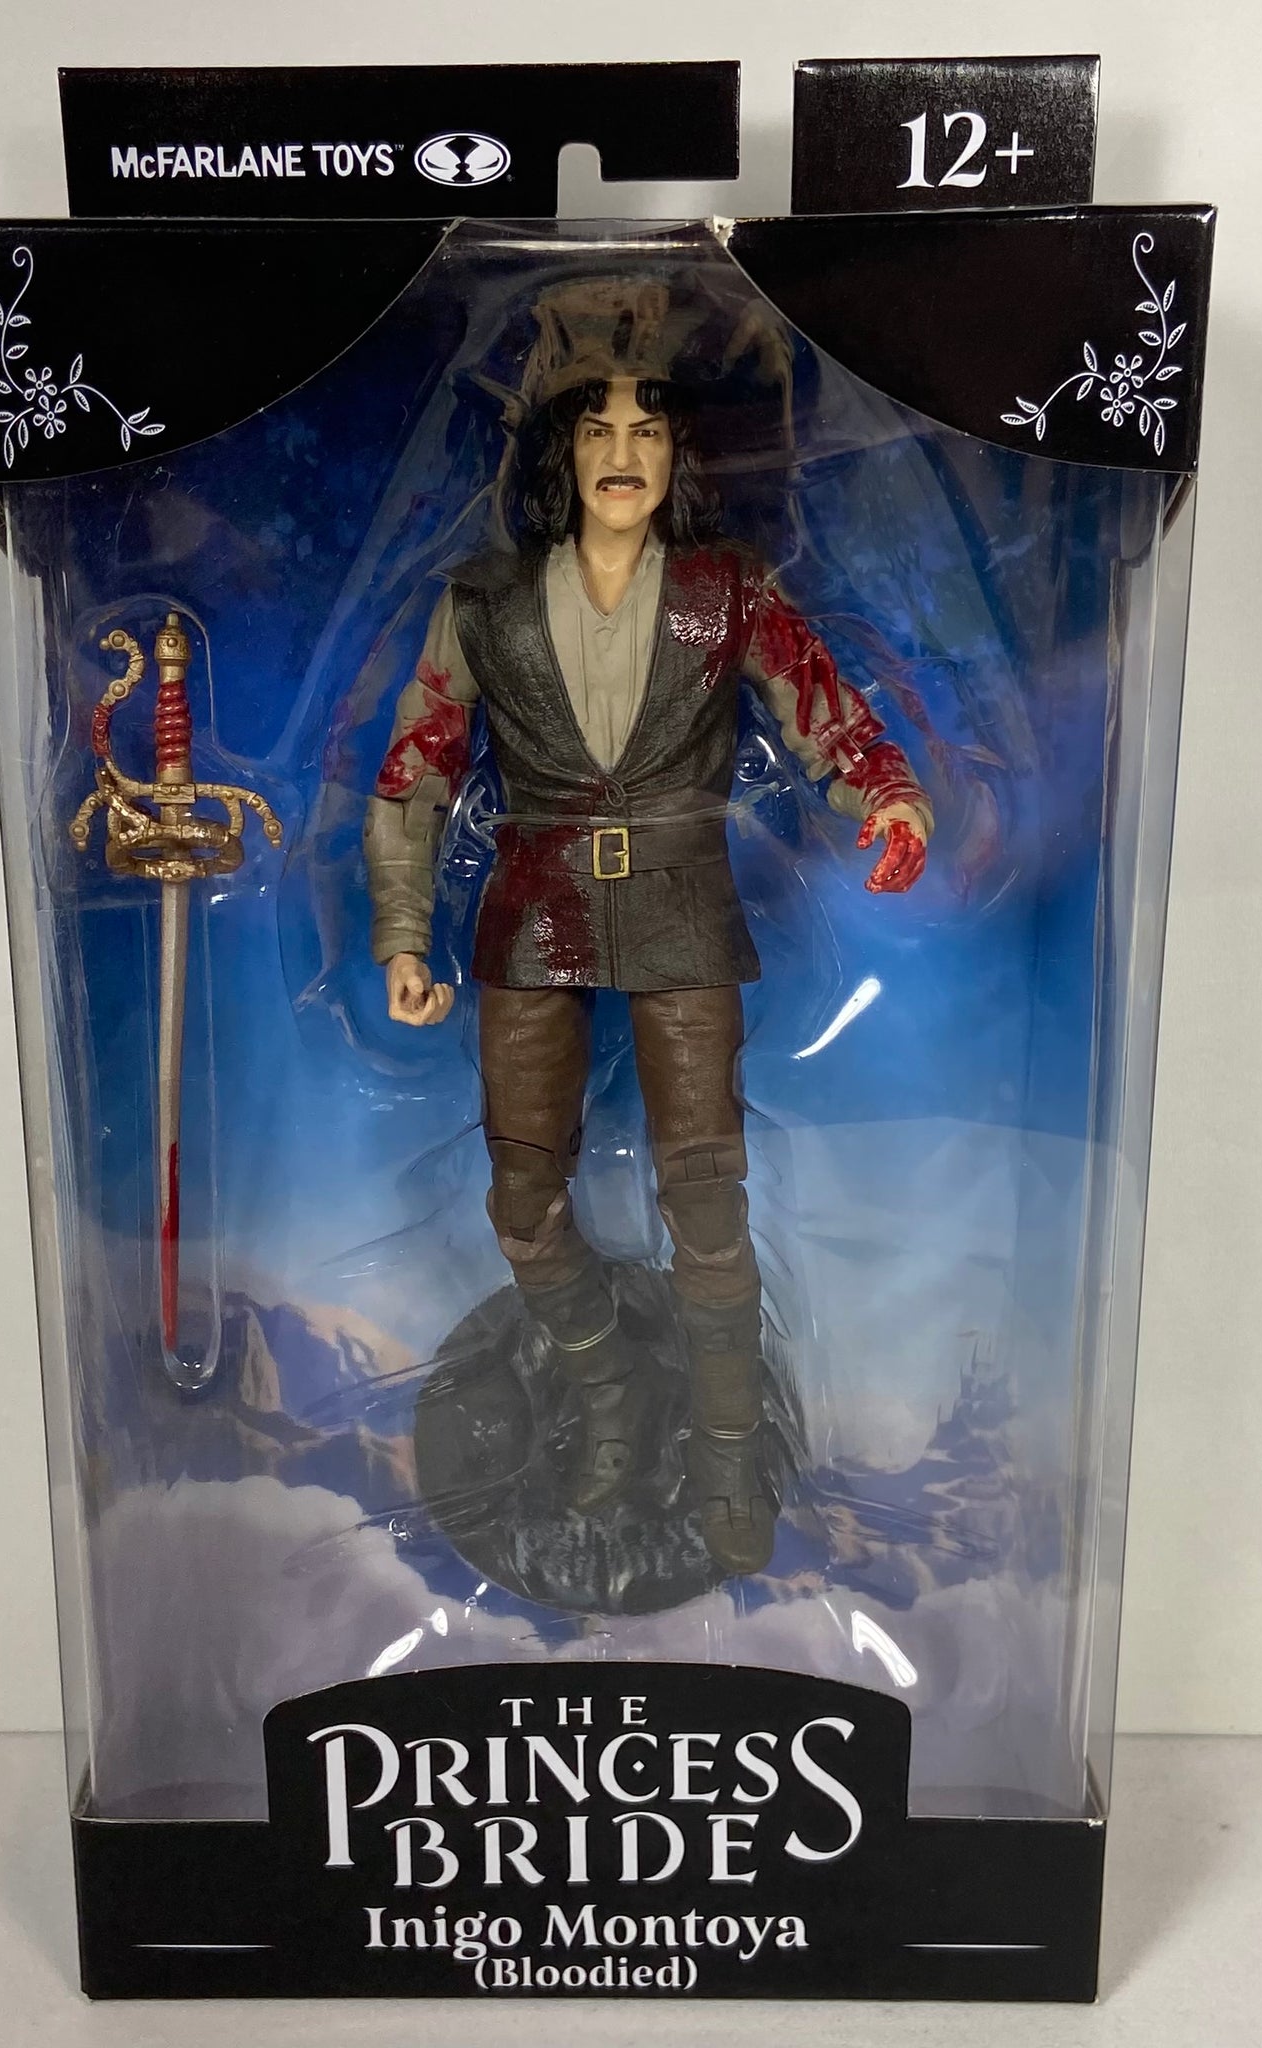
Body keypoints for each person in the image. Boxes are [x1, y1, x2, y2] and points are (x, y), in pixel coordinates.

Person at [363, 279, 932, 1573]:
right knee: (523, 1194)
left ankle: (728, 1444)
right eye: (597, 429)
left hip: (681, 903)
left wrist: (887, 792)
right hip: (534, 910)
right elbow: (416, 767)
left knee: (704, 1193)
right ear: (561, 454)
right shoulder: (485, 601)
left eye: (647, 429)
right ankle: (607, 1388)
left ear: (678, 454)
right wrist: (403, 932)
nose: (622, 453)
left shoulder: (729, 592)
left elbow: (822, 705)